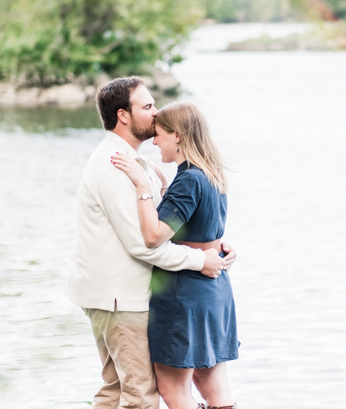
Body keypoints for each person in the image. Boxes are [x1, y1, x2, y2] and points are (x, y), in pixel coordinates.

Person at [67, 76, 236, 409]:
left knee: (118, 390)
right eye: (147, 106)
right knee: (140, 395)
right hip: (118, 299)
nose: (156, 113)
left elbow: (171, 222)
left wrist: (210, 245)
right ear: (124, 116)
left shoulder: (135, 162)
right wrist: (202, 259)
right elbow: (145, 244)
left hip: (123, 295)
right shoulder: (115, 167)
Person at [111, 101, 238, 409]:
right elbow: (200, 227)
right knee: (215, 389)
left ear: (178, 136)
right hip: (214, 290)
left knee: (173, 391)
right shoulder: (211, 173)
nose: (154, 142)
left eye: (159, 134)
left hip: (185, 294)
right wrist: (163, 183)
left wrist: (142, 185)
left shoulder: (189, 180)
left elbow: (154, 236)